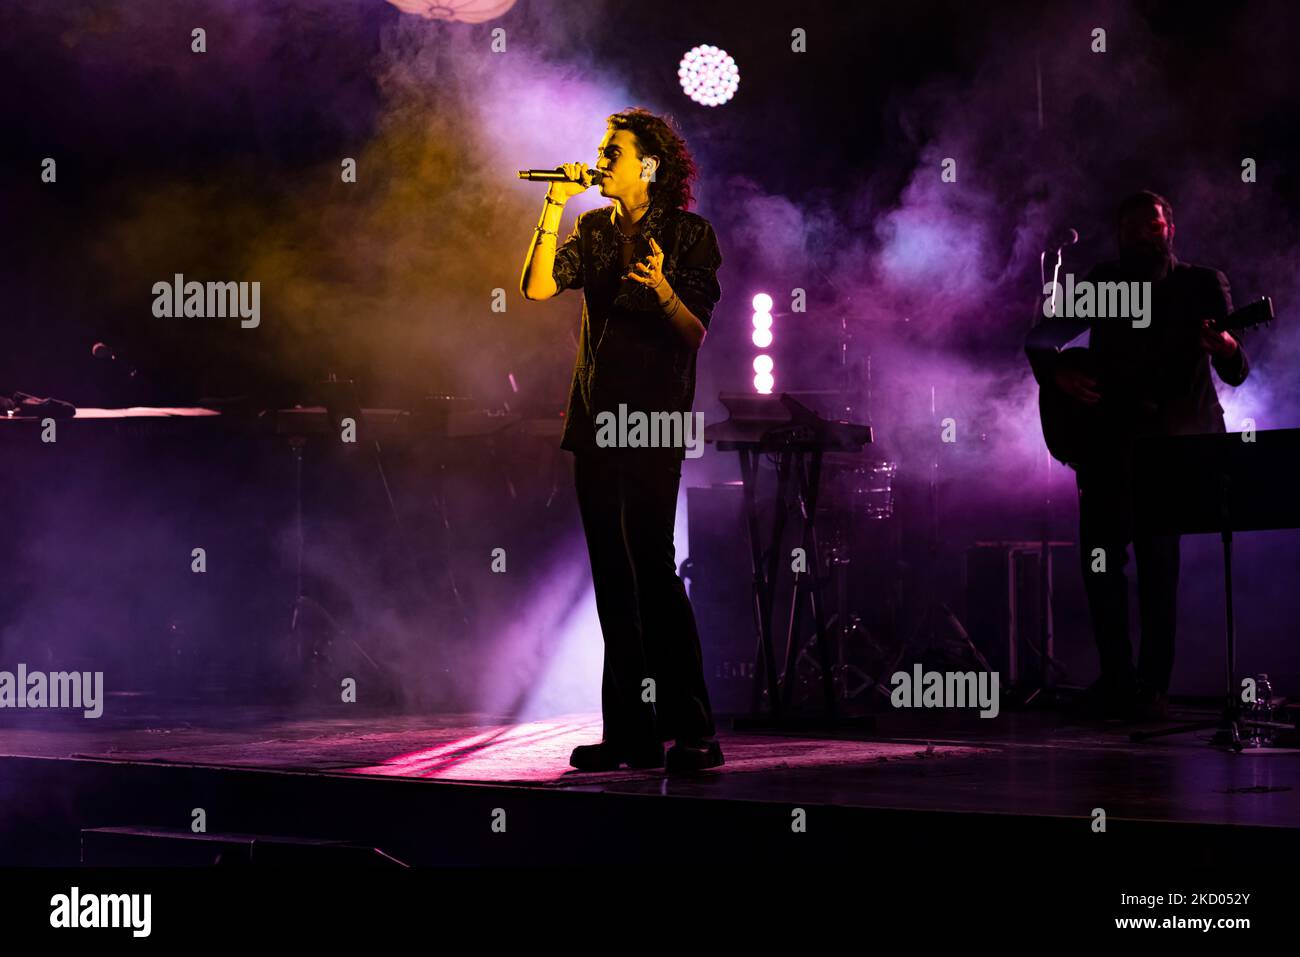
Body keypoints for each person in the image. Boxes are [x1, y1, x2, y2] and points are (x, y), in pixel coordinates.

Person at [520, 107, 725, 771]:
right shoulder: (594, 227)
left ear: (650, 166)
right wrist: (553, 203)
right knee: (613, 576)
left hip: (653, 420)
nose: (601, 158)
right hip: (594, 419)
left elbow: (695, 331)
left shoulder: (691, 236)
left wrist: (663, 287)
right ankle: (630, 733)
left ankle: (696, 730)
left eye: (614, 150)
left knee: (653, 571)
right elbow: (538, 284)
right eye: (602, 149)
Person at [1028, 191, 1250, 721]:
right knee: (1099, 564)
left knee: (1158, 564)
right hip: (1107, 442)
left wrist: (1226, 347)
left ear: (1170, 229)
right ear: (1120, 234)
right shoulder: (1102, 284)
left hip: (1171, 446)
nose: (1143, 234)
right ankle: (1117, 679)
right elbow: (1039, 339)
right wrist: (1058, 372)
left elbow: (1237, 369)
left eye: (1152, 225)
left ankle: (1153, 686)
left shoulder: (1201, 284)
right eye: (1132, 227)